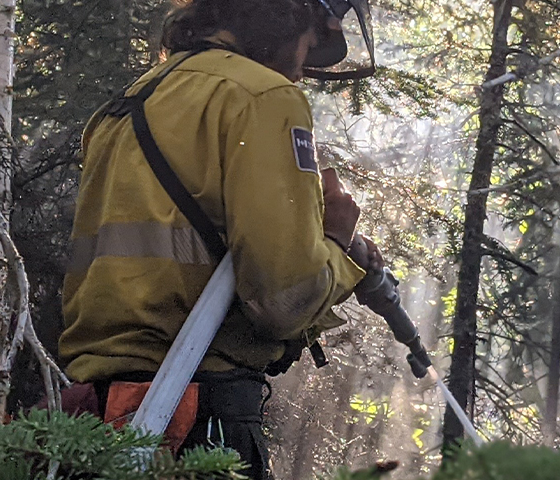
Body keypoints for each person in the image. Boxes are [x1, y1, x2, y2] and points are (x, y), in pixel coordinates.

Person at [57, 1, 382, 478]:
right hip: (197, 415)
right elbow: (284, 298)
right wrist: (335, 238)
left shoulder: (129, 103)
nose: (298, 71)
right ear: (290, 18)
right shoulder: (261, 96)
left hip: (95, 415)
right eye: (310, 45)